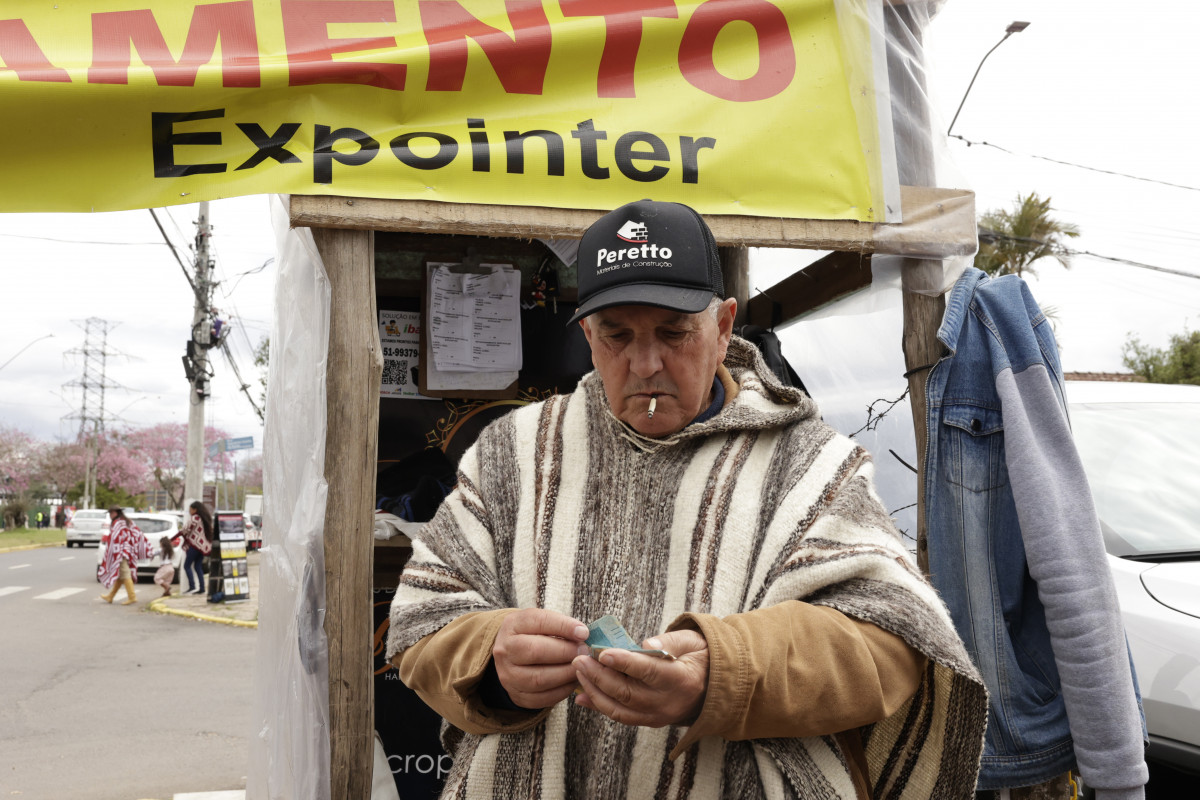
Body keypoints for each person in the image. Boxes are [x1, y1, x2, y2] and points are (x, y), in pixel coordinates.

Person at [386, 200, 989, 798]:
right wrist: (493, 665)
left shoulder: (809, 464)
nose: (646, 364)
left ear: (723, 326)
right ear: (586, 335)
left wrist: (723, 673)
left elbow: (892, 645)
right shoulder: (513, 454)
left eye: (674, 333)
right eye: (617, 336)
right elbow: (421, 621)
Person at [99, 507, 150, 605]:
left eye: (111, 513)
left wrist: (119, 550)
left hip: (121, 552)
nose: (110, 515)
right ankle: (111, 596)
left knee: (125, 573)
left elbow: (118, 537)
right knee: (120, 576)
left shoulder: (119, 523)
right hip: (125, 550)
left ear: (116, 513)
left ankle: (132, 597)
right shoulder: (124, 521)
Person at [182, 501, 213, 595]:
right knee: (197, 566)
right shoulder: (204, 518)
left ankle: (192, 587)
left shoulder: (195, 518)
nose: (189, 511)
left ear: (195, 509)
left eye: (190, 509)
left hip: (195, 545)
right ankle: (202, 588)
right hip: (202, 547)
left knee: (187, 566)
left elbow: (185, 529)